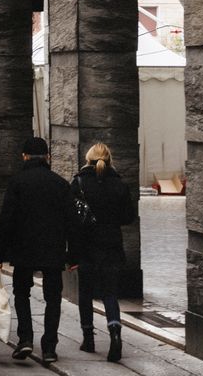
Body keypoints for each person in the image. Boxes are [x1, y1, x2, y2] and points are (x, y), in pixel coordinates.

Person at [0, 136, 78, 365]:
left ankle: (25, 339)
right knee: (53, 298)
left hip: (23, 249)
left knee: (22, 294)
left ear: (24, 156)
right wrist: (74, 254)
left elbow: (5, 220)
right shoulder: (60, 184)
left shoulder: (18, 182)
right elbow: (72, 222)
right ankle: (49, 347)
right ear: (47, 157)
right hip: (53, 249)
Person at [71, 142, 136, 363]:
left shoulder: (79, 182)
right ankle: (115, 332)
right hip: (111, 245)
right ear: (109, 160)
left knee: (85, 293)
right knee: (110, 292)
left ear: (88, 159)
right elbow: (128, 217)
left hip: (86, 246)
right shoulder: (119, 184)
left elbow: (71, 219)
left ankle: (88, 338)